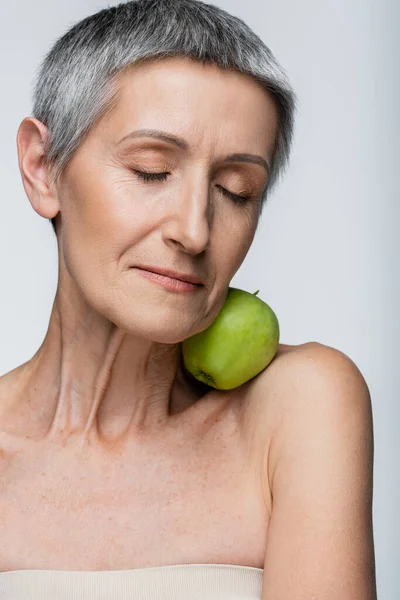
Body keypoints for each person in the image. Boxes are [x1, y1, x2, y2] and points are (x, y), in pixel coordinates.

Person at [0, 0, 377, 598]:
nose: (195, 231)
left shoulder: (296, 406)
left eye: (236, 190)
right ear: (43, 169)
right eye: (152, 171)